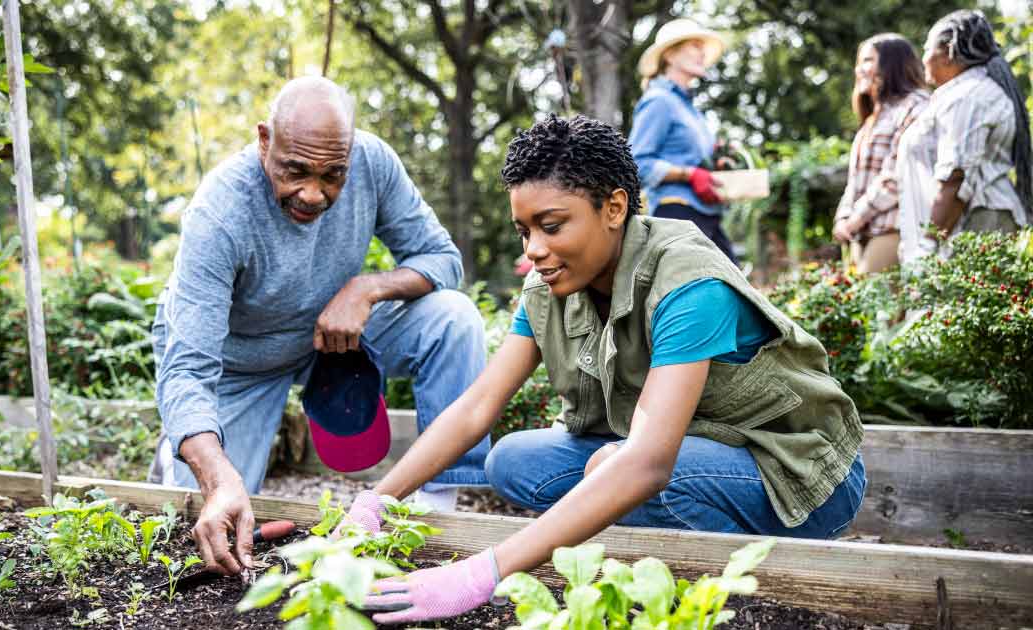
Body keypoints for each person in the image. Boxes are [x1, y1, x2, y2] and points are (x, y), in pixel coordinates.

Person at [340, 115, 866, 625]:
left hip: (796, 475)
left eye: (551, 226)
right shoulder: (550, 287)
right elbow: (479, 406)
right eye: (524, 231)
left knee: (624, 470)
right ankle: (652, 545)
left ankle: (749, 588)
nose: (534, 251)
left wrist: (484, 572)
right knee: (513, 461)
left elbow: (647, 464)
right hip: (689, 452)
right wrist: (376, 500)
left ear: (614, 207)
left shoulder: (688, 280)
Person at [151, 76, 490, 578]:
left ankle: (437, 507)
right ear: (265, 140)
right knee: (205, 529)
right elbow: (185, 370)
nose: (313, 193)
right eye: (296, 171)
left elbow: (441, 258)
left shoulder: (372, 162)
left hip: (334, 337)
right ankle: (178, 453)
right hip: (239, 362)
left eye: (334, 175)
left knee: (454, 317)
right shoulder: (220, 212)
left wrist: (366, 289)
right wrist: (217, 475)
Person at [895, 10, 1031, 265]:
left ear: (947, 52)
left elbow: (955, 178)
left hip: (976, 225)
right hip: (967, 225)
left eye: (927, 49)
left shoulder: (967, 97)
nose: (923, 59)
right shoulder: (965, 93)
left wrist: (927, 246)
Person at [627, 18, 737, 263]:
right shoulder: (659, 101)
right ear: (670, 55)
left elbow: (696, 162)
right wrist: (689, 174)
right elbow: (636, 164)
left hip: (705, 215)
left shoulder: (691, 109)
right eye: (695, 46)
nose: (702, 53)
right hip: (676, 214)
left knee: (735, 287)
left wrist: (714, 165)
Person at [832, 34, 929, 274]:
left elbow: (896, 175)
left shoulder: (914, 106)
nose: (859, 69)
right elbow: (855, 181)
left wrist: (856, 218)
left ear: (893, 64)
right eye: (860, 62)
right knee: (858, 305)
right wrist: (843, 217)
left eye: (868, 61)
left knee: (875, 306)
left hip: (892, 226)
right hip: (862, 230)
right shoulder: (872, 119)